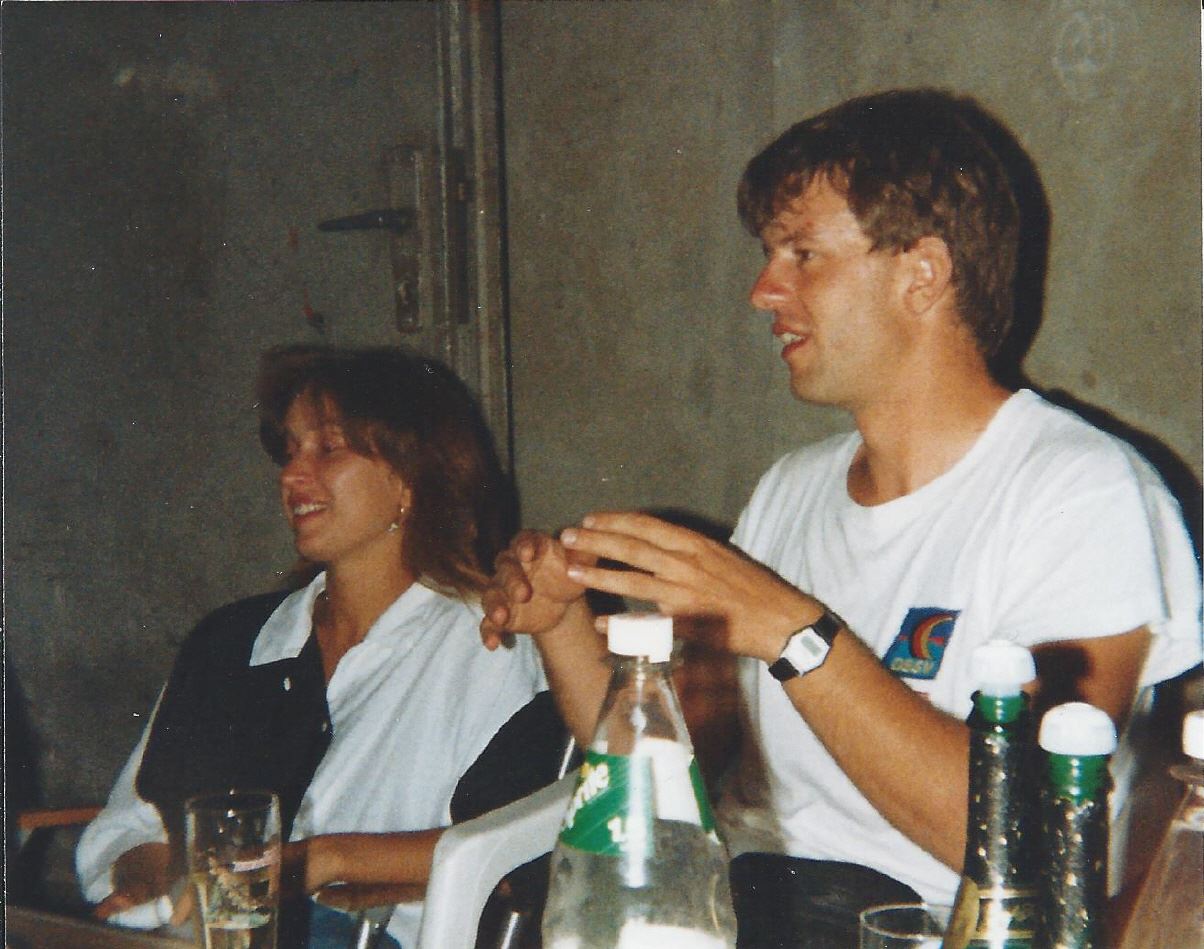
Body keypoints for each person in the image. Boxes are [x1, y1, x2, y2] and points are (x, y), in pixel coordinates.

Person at [479, 89, 1202, 947]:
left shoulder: (1081, 491)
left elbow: (1024, 840)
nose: (762, 291)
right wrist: (560, 623)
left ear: (921, 275)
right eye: (768, 255)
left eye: (803, 254)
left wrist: (794, 633)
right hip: (747, 905)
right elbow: (677, 769)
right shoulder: (792, 489)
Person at [78, 345, 547, 948]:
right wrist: (150, 885)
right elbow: (136, 823)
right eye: (290, 450)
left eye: (328, 449)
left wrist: (323, 860)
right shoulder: (231, 643)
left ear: (409, 480)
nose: (291, 475)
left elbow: (524, 851)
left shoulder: (486, 640)